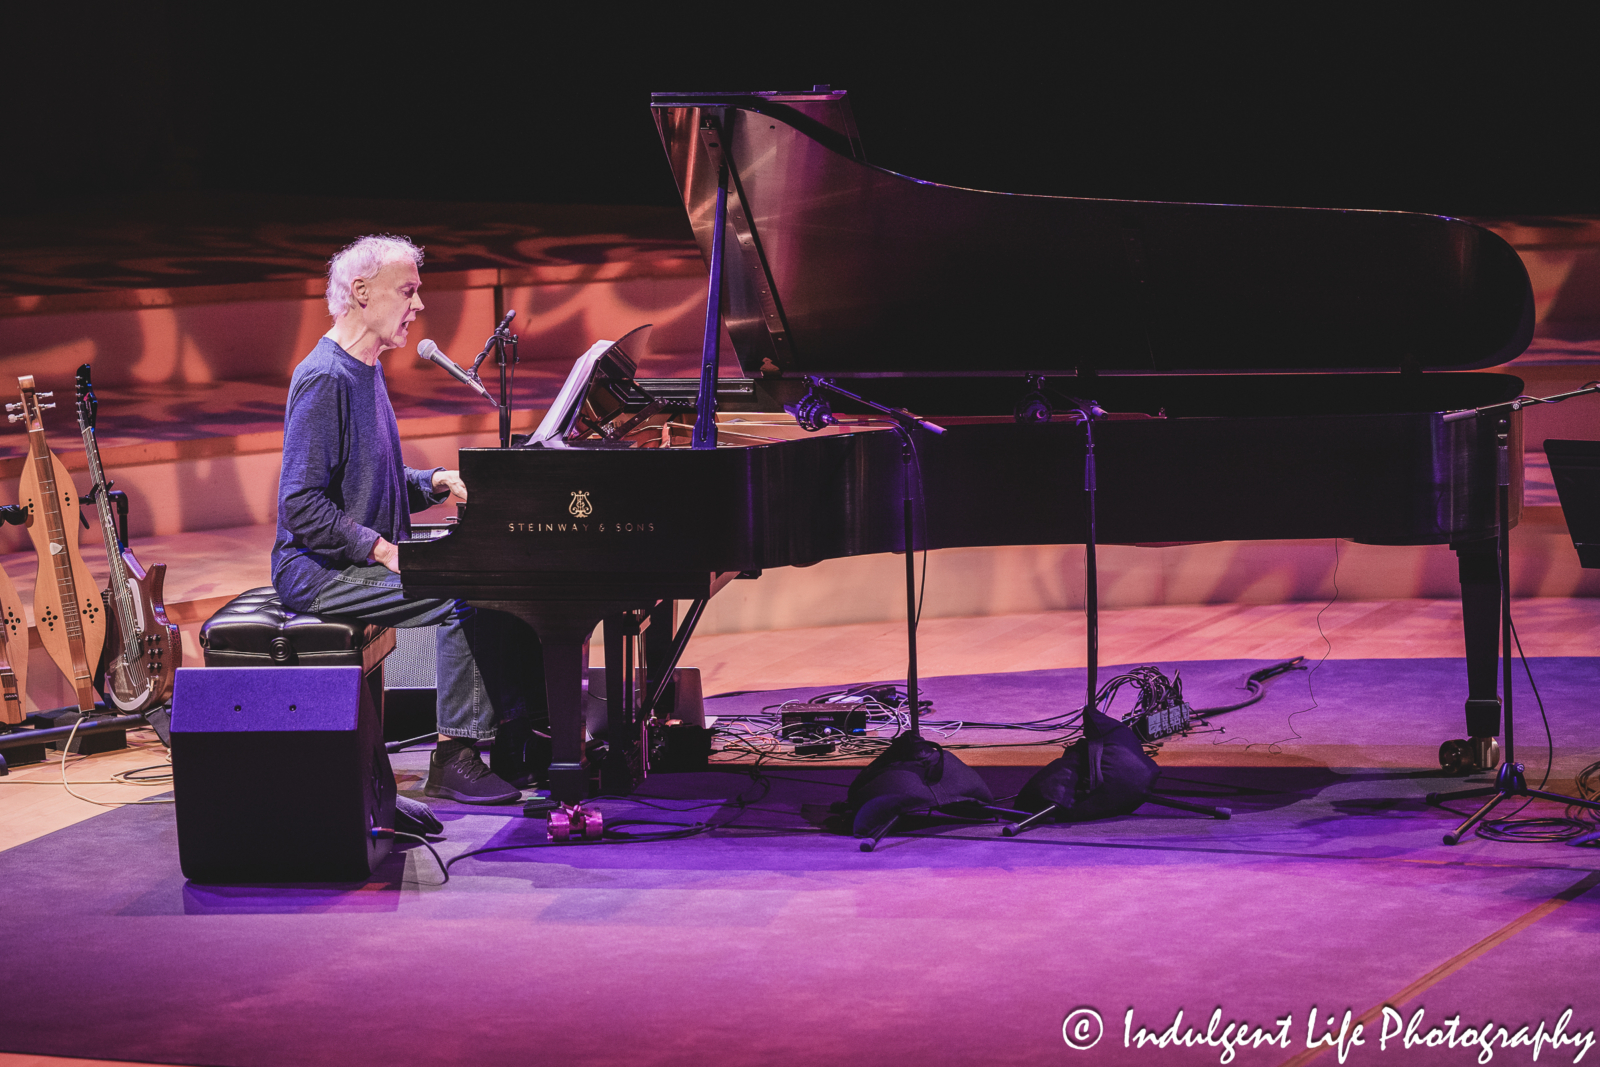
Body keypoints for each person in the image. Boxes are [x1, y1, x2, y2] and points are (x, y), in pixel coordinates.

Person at [272, 234, 542, 805]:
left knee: (498, 571)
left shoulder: (365, 369)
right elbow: (300, 504)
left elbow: (374, 482)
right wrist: (381, 550)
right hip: (317, 572)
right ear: (362, 293)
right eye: (409, 291)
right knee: (462, 593)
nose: (419, 306)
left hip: (352, 556)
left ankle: (519, 738)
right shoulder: (325, 377)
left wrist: (434, 483)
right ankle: (454, 755)